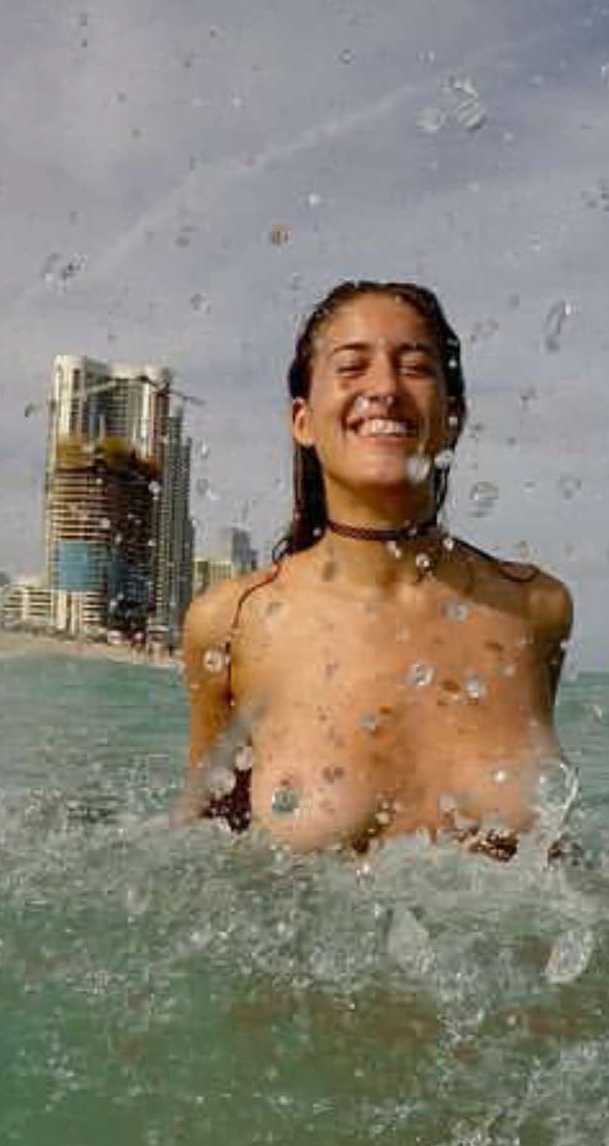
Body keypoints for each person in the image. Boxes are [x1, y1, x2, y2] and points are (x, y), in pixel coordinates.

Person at [177, 280, 573, 857]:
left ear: (453, 417)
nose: (385, 388)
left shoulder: (535, 610)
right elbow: (202, 852)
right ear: (303, 421)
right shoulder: (232, 624)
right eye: (352, 367)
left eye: (415, 368)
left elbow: (553, 865)